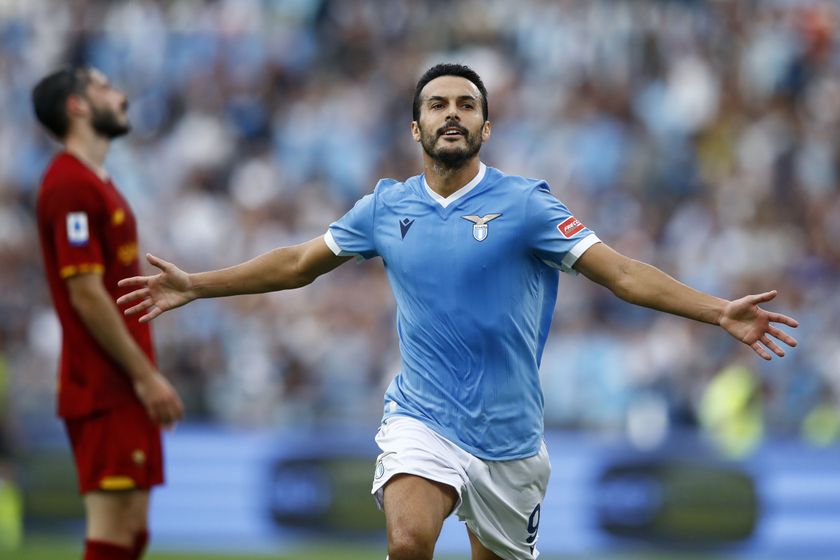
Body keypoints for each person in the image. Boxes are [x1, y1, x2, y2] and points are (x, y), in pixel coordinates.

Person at [117, 63, 798, 560]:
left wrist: (717, 311)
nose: (453, 114)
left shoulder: (526, 205)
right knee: (409, 541)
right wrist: (198, 285)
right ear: (415, 127)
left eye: (467, 105)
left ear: (485, 126)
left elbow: (620, 272)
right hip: (422, 417)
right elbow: (299, 263)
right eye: (438, 104)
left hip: (511, 440)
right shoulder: (386, 207)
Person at [32, 67, 184, 560]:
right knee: (113, 530)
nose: (120, 96)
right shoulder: (69, 184)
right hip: (103, 384)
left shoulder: (98, 183)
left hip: (122, 381)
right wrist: (144, 377)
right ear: (76, 106)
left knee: (132, 529)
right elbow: (85, 294)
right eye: (103, 87)